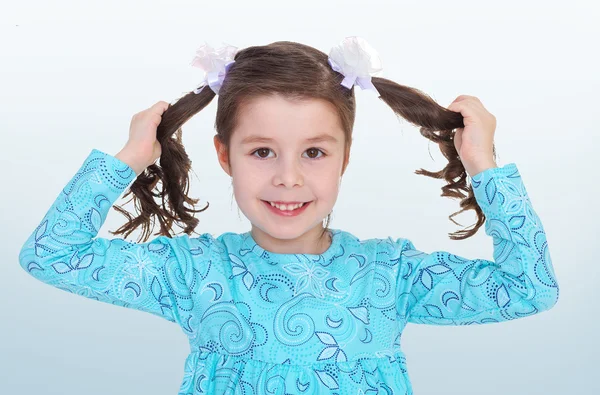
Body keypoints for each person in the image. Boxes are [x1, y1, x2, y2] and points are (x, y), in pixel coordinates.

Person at [18, 36, 559, 394]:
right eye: (262, 151)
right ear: (225, 155)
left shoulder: (391, 275)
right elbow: (52, 256)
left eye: (314, 152)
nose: (288, 178)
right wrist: (129, 159)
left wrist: (483, 165)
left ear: (345, 158)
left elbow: (529, 288)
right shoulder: (194, 273)